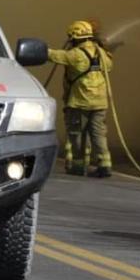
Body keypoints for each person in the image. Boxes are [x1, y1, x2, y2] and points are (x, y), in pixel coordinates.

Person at [49, 20, 114, 178]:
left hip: (80, 103)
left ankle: (78, 167)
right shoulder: (101, 54)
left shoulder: (76, 54)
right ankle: (104, 166)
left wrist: (41, 50)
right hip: (100, 103)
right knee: (98, 134)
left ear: (74, 37)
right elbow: (110, 66)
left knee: (76, 134)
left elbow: (56, 56)